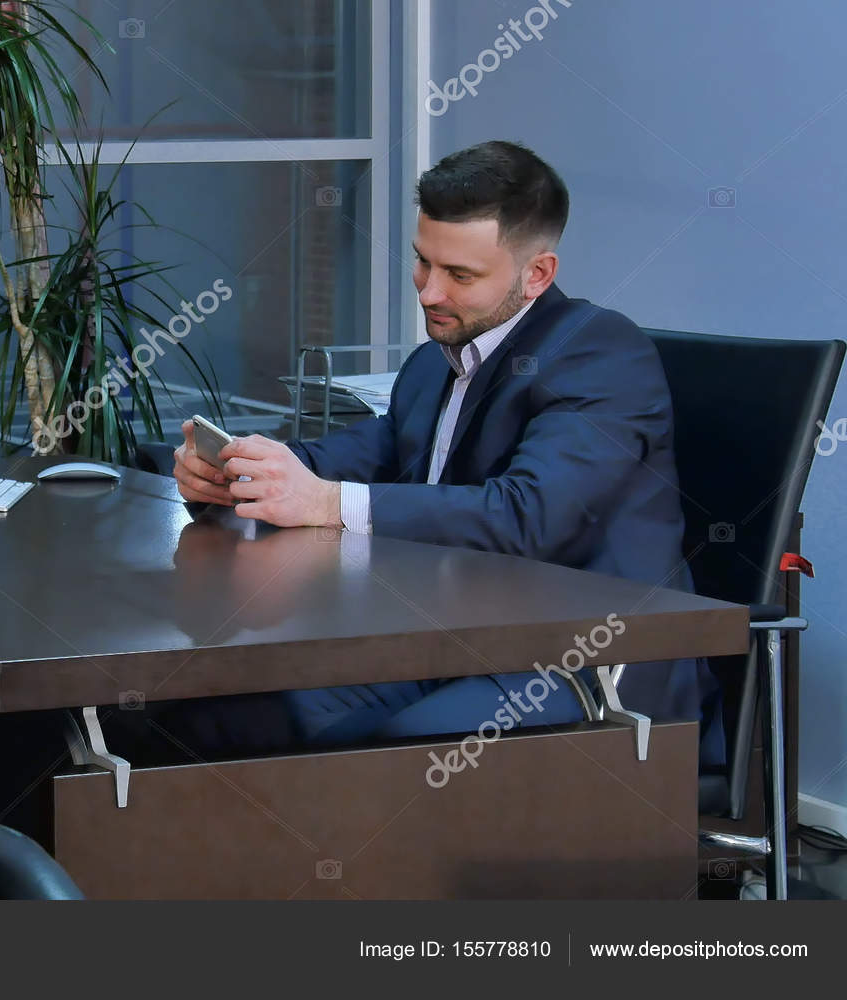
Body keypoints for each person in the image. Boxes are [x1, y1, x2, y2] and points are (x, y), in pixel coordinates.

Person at [146, 140, 718, 763]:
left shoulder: (600, 354)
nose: (428, 292)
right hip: (449, 641)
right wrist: (244, 472)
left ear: (538, 274)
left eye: (460, 276)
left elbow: (527, 515)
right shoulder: (434, 364)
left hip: (587, 661)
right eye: (424, 262)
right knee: (225, 711)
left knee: (403, 754)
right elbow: (365, 453)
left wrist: (325, 502)